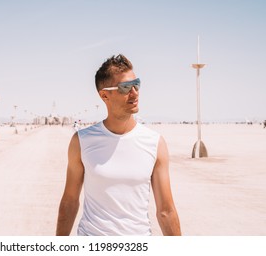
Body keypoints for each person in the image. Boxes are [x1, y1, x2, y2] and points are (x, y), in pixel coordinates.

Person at [56, 54, 181, 236]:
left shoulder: (155, 143)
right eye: (125, 87)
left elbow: (166, 211)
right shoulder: (81, 141)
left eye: (136, 84)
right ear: (105, 95)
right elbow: (69, 201)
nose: (134, 93)